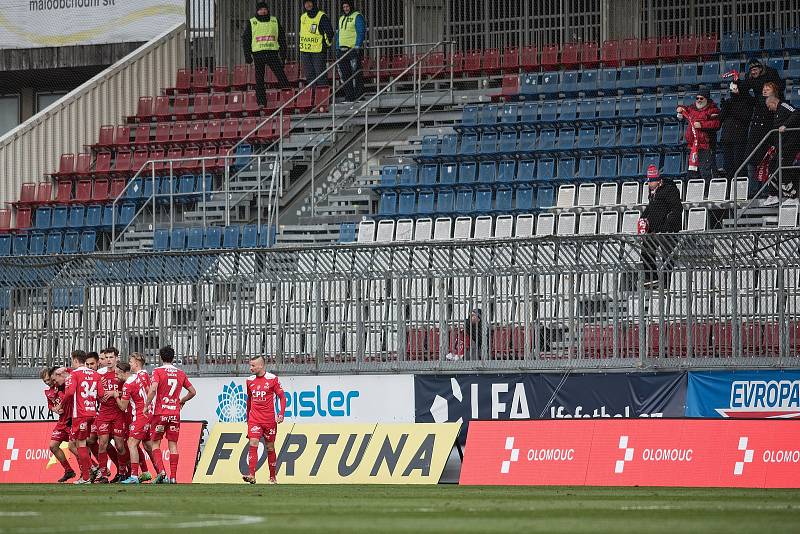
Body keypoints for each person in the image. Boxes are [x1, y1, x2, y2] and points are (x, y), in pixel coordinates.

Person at [732, 58, 785, 197]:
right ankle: (753, 191)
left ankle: (767, 191)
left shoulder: (777, 103)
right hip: (755, 129)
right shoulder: (755, 95)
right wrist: (736, 85)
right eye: (751, 70)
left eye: (767, 90)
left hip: (767, 130)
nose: (764, 91)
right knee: (751, 160)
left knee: (767, 161)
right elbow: (743, 92)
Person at [145, 346, 196, 484]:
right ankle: (173, 477)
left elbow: (153, 389)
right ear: (173, 357)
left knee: (155, 443)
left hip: (160, 413)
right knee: (173, 445)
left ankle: (162, 472)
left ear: (160, 357)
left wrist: (146, 405)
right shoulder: (180, 373)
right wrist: (181, 401)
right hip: (174, 413)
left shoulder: (157, 371)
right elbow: (193, 392)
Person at [61, 350, 104, 484]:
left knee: (81, 444)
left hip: (80, 414)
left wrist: (61, 405)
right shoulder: (95, 374)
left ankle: (86, 477)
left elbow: (70, 393)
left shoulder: (74, 374)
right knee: (75, 443)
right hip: (92, 413)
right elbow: (101, 394)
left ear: (75, 360)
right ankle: (92, 468)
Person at [243, 355, 286, 484]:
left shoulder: (272, 379)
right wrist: (248, 416)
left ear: (261, 366)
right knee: (253, 443)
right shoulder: (249, 381)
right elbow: (249, 399)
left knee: (270, 447)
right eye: (250, 365)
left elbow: (282, 397)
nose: (250, 368)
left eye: (253, 365)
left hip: (269, 420)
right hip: (255, 419)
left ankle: (272, 477)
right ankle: (251, 475)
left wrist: (281, 414)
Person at [116, 353, 158, 484]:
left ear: (124, 372)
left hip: (140, 415)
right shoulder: (139, 377)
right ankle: (160, 472)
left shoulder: (128, 384)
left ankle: (134, 476)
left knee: (131, 444)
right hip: (148, 413)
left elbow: (123, 407)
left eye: (117, 374)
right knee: (148, 446)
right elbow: (147, 390)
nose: (116, 377)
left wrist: (116, 396)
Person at [640, 165, 683, 287]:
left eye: (651, 181)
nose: (649, 184)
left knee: (667, 257)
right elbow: (651, 207)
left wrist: (667, 226)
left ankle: (666, 283)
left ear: (658, 180)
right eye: (648, 181)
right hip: (653, 229)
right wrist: (643, 218)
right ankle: (651, 278)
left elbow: (677, 209)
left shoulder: (670, 190)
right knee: (646, 251)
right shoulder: (653, 192)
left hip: (668, 231)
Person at [242, 1, 291, 108]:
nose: (263, 11)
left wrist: (283, 55)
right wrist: (247, 56)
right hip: (258, 55)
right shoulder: (252, 22)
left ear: (267, 10)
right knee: (259, 80)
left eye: (264, 9)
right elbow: (246, 40)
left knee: (281, 77)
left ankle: (290, 99)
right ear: (257, 11)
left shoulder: (274, 20)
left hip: (272, 53)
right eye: (260, 10)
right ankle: (261, 103)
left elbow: (282, 39)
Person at [94, 347, 128, 483]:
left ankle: (122, 473)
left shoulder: (120, 375)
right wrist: (99, 395)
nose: (108, 360)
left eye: (111, 357)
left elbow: (129, 391)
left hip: (118, 413)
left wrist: (116, 394)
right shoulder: (100, 376)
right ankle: (102, 475)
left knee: (120, 446)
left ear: (116, 358)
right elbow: (96, 395)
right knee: (102, 444)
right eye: (106, 357)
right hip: (103, 414)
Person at [677, 88, 720, 180]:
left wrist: (701, 125)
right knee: (693, 172)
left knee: (706, 171)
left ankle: (708, 191)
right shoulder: (692, 108)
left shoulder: (713, 110)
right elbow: (685, 108)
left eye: (701, 98)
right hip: (693, 146)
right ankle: (694, 192)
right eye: (697, 98)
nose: (699, 100)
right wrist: (680, 108)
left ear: (707, 99)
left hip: (706, 146)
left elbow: (716, 124)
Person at [42, 367, 76, 483]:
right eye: (45, 381)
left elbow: (72, 374)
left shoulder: (62, 384)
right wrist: (55, 409)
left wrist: (65, 369)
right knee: (53, 446)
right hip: (62, 421)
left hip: (71, 419)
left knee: (75, 447)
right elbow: (50, 406)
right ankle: (68, 471)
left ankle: (92, 467)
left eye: (48, 379)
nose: (48, 382)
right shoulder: (49, 392)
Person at [768, 96, 800, 202]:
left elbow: (796, 113)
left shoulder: (784, 105)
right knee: (774, 168)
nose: (769, 109)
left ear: (773, 102)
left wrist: (785, 125)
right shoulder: (777, 113)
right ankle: (775, 195)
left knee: (782, 170)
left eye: (769, 106)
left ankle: (792, 196)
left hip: (789, 145)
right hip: (781, 147)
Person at [718, 86, 753, 181]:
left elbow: (745, 117)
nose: (733, 90)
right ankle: (730, 189)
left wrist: (731, 109)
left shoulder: (746, 102)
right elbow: (720, 119)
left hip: (739, 138)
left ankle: (741, 188)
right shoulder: (728, 102)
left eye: (735, 88)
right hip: (727, 137)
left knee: (739, 164)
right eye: (732, 88)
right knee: (728, 166)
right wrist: (724, 109)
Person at [336, 1, 366, 102]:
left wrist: (357, 45)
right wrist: (337, 47)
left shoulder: (357, 16)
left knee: (356, 73)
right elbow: (339, 33)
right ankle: (349, 96)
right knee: (345, 75)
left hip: (352, 49)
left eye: (347, 6)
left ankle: (359, 95)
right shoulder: (341, 18)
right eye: (344, 7)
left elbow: (361, 31)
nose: (345, 9)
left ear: (351, 6)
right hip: (341, 50)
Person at [299, 0, 335, 87]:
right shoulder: (303, 17)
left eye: (310, 2)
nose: (308, 5)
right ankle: (314, 97)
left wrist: (325, 45)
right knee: (309, 75)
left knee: (320, 75)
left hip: (318, 51)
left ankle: (324, 97)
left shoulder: (321, 16)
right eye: (306, 3)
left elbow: (329, 32)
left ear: (314, 3)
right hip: (305, 51)